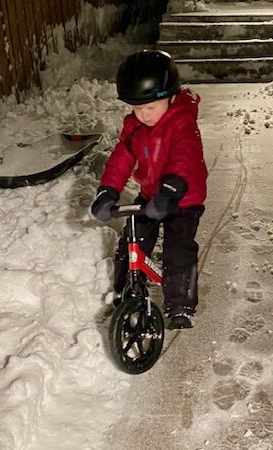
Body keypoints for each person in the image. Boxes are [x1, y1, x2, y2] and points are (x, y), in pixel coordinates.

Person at [91, 50, 208, 330]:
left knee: (177, 253)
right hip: (150, 196)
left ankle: (180, 305)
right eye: (136, 108)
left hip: (182, 198)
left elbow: (185, 159)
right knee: (130, 244)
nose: (142, 115)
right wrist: (108, 190)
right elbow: (121, 158)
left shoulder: (182, 122)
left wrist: (169, 192)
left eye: (150, 108)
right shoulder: (135, 126)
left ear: (170, 96)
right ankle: (125, 293)